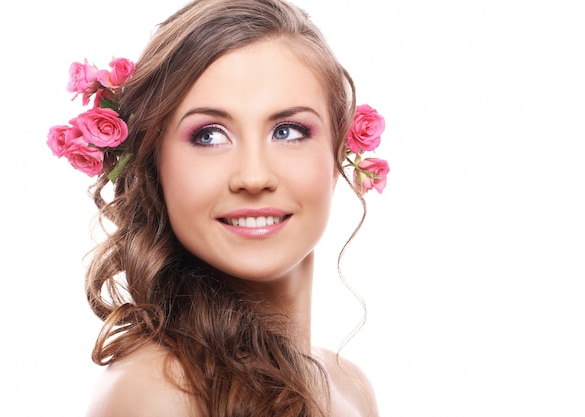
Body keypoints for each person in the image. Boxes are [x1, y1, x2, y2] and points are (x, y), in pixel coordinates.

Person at [47, 0, 389, 416]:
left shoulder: (350, 387)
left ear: (336, 158)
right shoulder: (159, 392)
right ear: (154, 166)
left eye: (288, 131)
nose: (253, 176)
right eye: (209, 135)